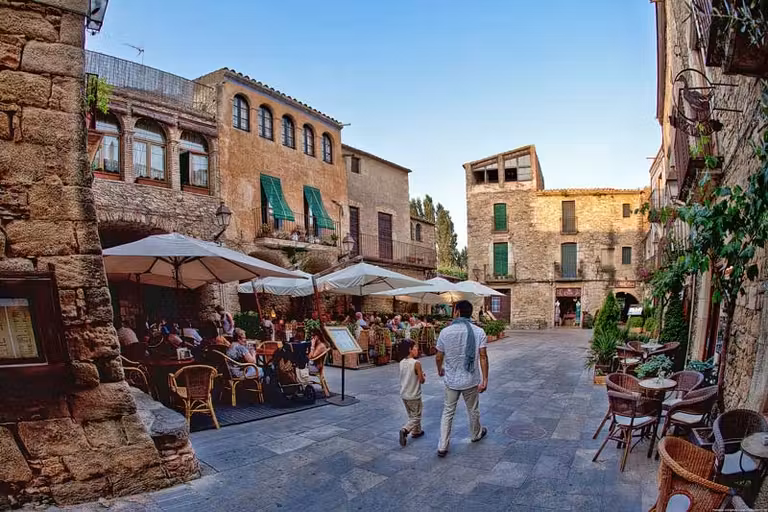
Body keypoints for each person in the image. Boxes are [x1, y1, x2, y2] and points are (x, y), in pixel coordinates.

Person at [435, 300, 489, 457]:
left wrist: (440, 370)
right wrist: (485, 380)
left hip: (451, 379)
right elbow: (483, 357)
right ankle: (475, 434)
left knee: (448, 411)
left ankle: (443, 445)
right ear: (470, 313)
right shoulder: (479, 332)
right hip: (470, 379)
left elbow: (439, 356)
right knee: (473, 409)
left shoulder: (445, 332)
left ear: (457, 312)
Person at [399, 340, 426, 447]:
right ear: (410, 350)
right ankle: (405, 430)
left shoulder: (401, 362)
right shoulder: (416, 363)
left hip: (404, 394)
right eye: (415, 348)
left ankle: (417, 431)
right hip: (414, 394)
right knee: (416, 416)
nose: (417, 350)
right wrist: (423, 375)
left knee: (411, 414)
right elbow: (421, 380)